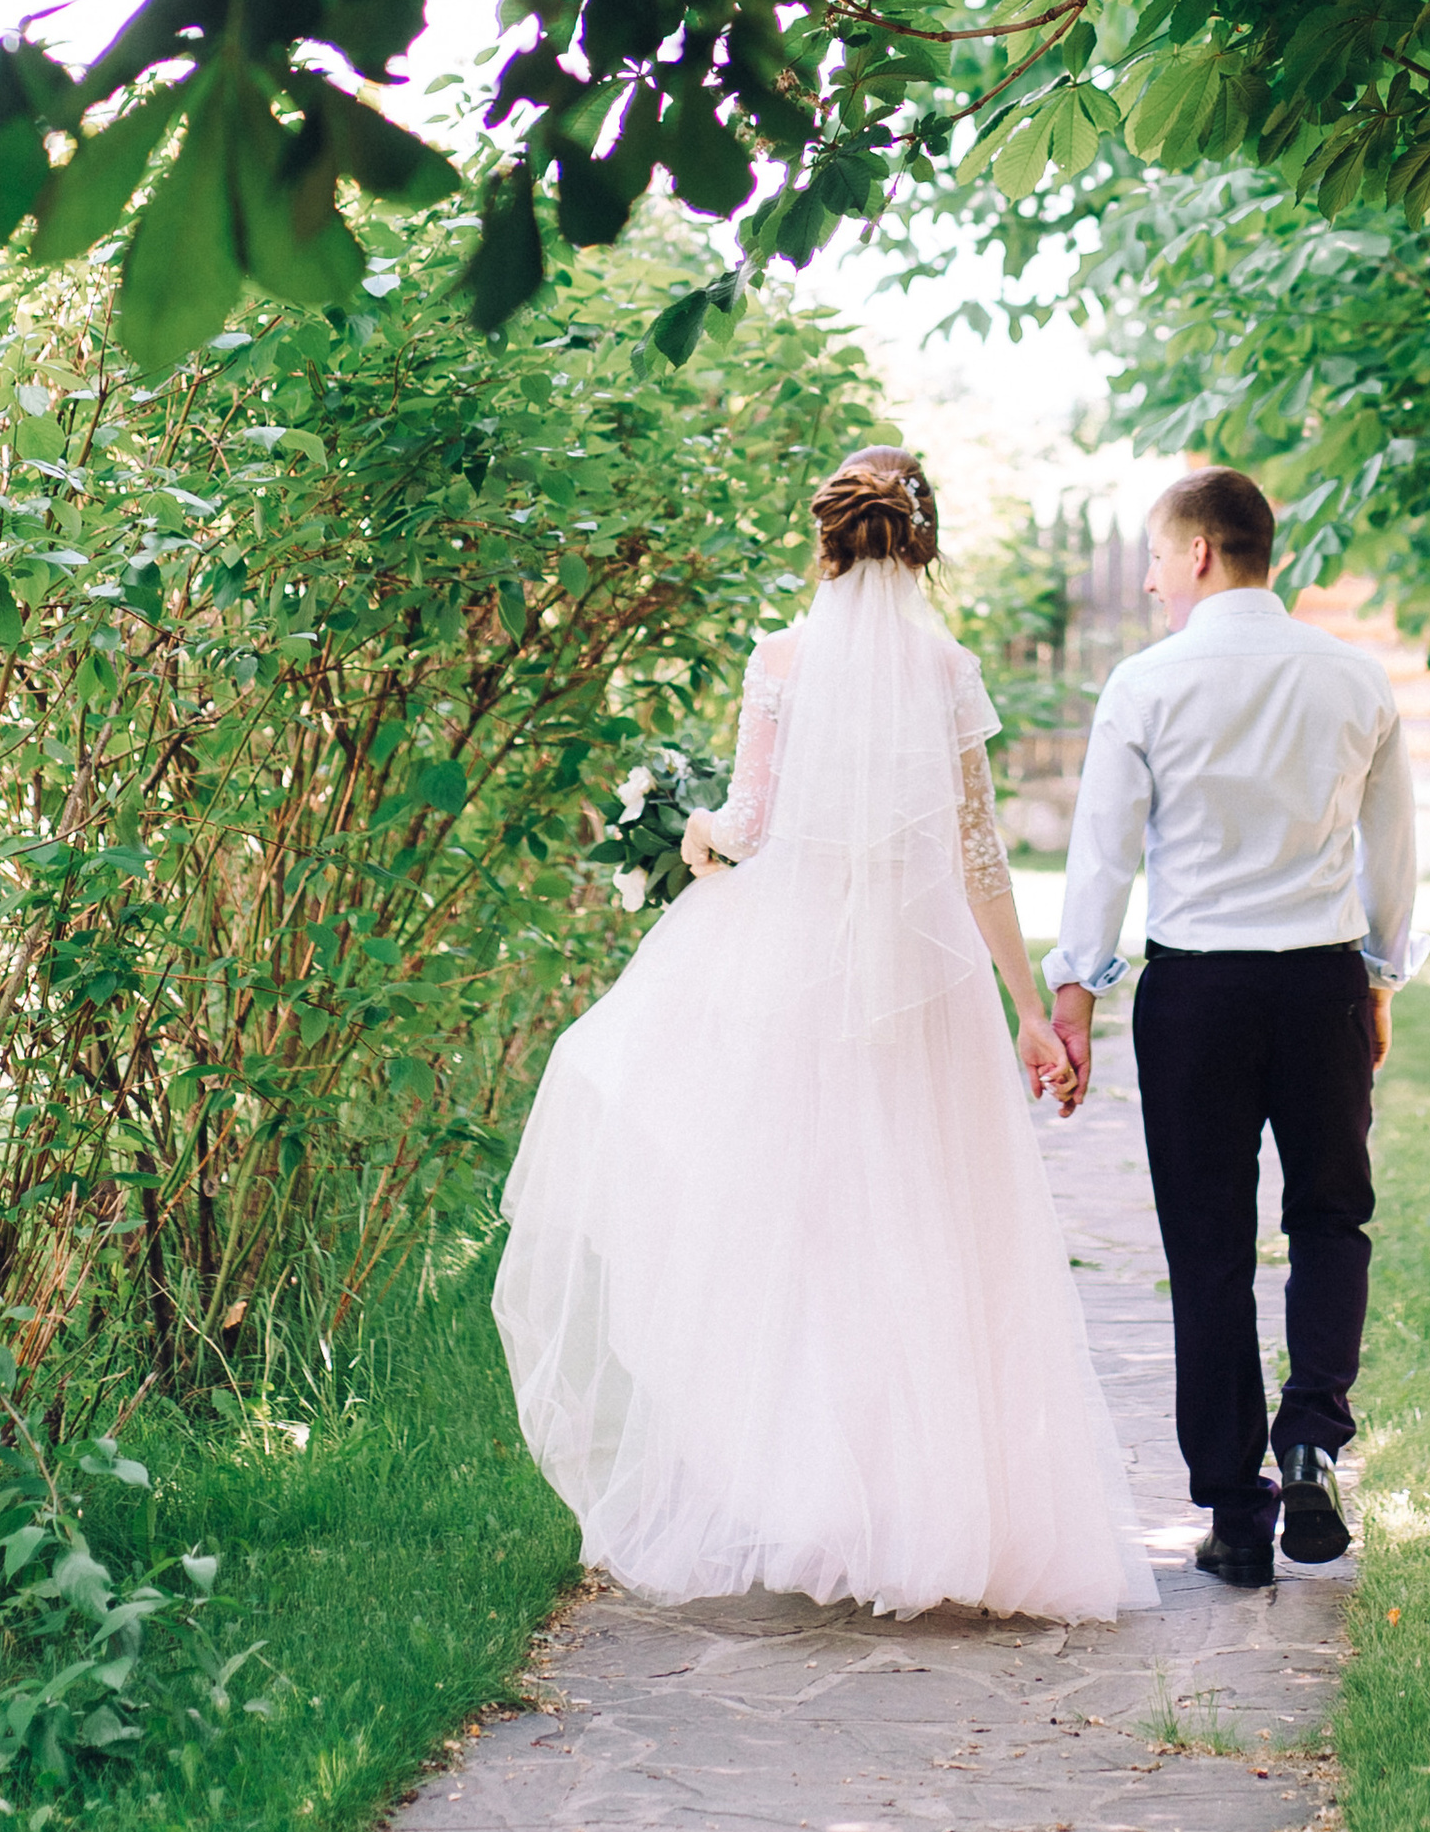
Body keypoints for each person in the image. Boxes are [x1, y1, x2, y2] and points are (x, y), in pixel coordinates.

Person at [493, 445, 1156, 1623]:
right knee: (931, 1226)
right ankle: (932, 1508)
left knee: (805, 1226)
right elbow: (980, 854)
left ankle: (820, 1499)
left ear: (827, 541)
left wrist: (692, 831)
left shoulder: (781, 659)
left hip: (800, 978)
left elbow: (751, 820)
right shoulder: (947, 670)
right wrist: (1025, 1006)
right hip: (925, 986)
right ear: (923, 542)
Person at [1047, 468, 1422, 1589]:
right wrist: (1380, 977)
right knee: (1330, 1217)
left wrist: (1076, 992)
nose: (1152, 580)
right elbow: (1390, 852)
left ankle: (1236, 1511)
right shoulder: (1354, 678)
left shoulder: (1145, 683)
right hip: (1319, 986)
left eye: (1158, 558)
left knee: (1207, 1248)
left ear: (1201, 553)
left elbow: (1103, 851)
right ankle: (1311, 1438)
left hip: (1198, 995)